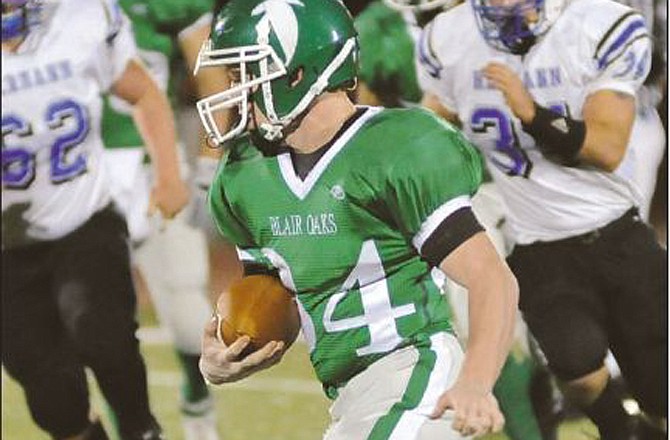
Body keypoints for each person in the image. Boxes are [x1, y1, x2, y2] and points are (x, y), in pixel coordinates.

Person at [195, 0, 519, 438]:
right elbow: (277, 298)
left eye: (245, 76)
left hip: (415, 374)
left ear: (298, 74)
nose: (235, 92)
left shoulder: (395, 149)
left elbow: (491, 278)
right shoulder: (246, 174)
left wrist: (476, 383)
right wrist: (231, 351)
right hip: (351, 394)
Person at [416, 0, 668, 438]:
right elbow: (430, 124)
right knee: (578, 373)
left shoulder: (598, 25)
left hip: (615, 228)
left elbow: (607, 149)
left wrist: (531, 112)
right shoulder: (448, 39)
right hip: (536, 241)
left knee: (660, 391)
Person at [355, 2, 550, 439]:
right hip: (454, 197)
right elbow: (359, 125)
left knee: (557, 325)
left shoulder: (501, 18)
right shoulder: (377, 27)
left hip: (534, 185)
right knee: (493, 323)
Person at [1, 0, 189, 439]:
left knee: (104, 336)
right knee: (48, 389)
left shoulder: (82, 16)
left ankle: (141, 429)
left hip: (83, 219)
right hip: (7, 248)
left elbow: (141, 90)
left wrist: (167, 175)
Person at [99, 1, 239, 438]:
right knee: (94, 324)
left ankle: (196, 399)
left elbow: (211, 74)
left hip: (153, 165)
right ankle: (132, 426)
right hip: (75, 181)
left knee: (184, 316)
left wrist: (207, 163)